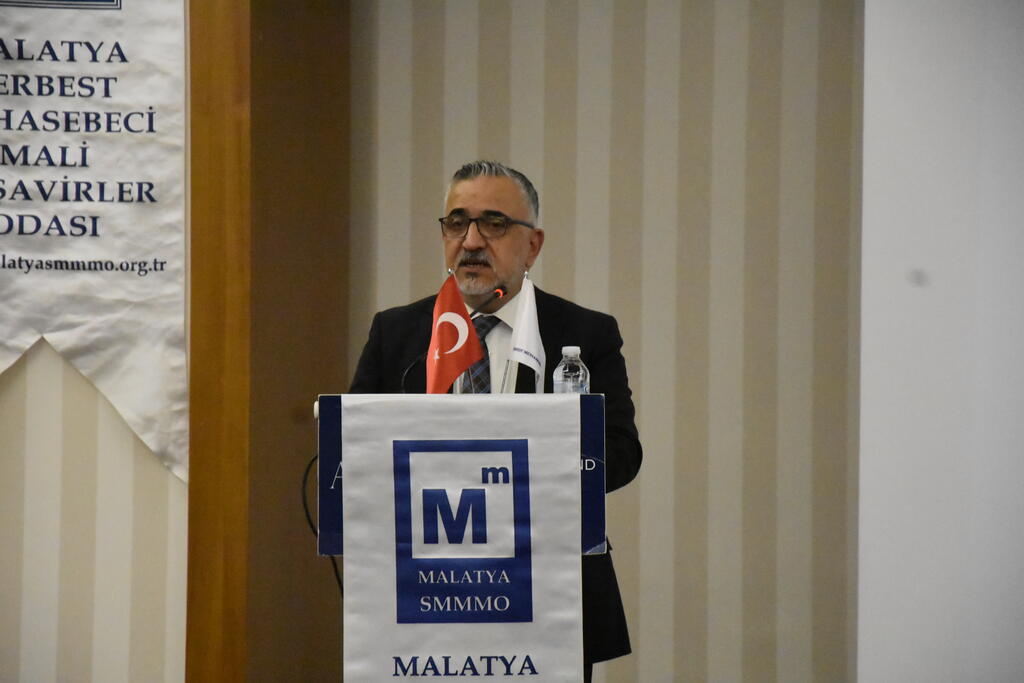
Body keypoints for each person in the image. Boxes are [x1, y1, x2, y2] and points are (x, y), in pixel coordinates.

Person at [349, 160, 642, 680]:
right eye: (457, 222)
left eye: (494, 223)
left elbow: (620, 454)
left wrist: (531, 467)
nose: (471, 241)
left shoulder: (583, 333)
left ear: (533, 245)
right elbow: (352, 454)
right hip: (422, 595)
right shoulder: (398, 334)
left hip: (547, 592)